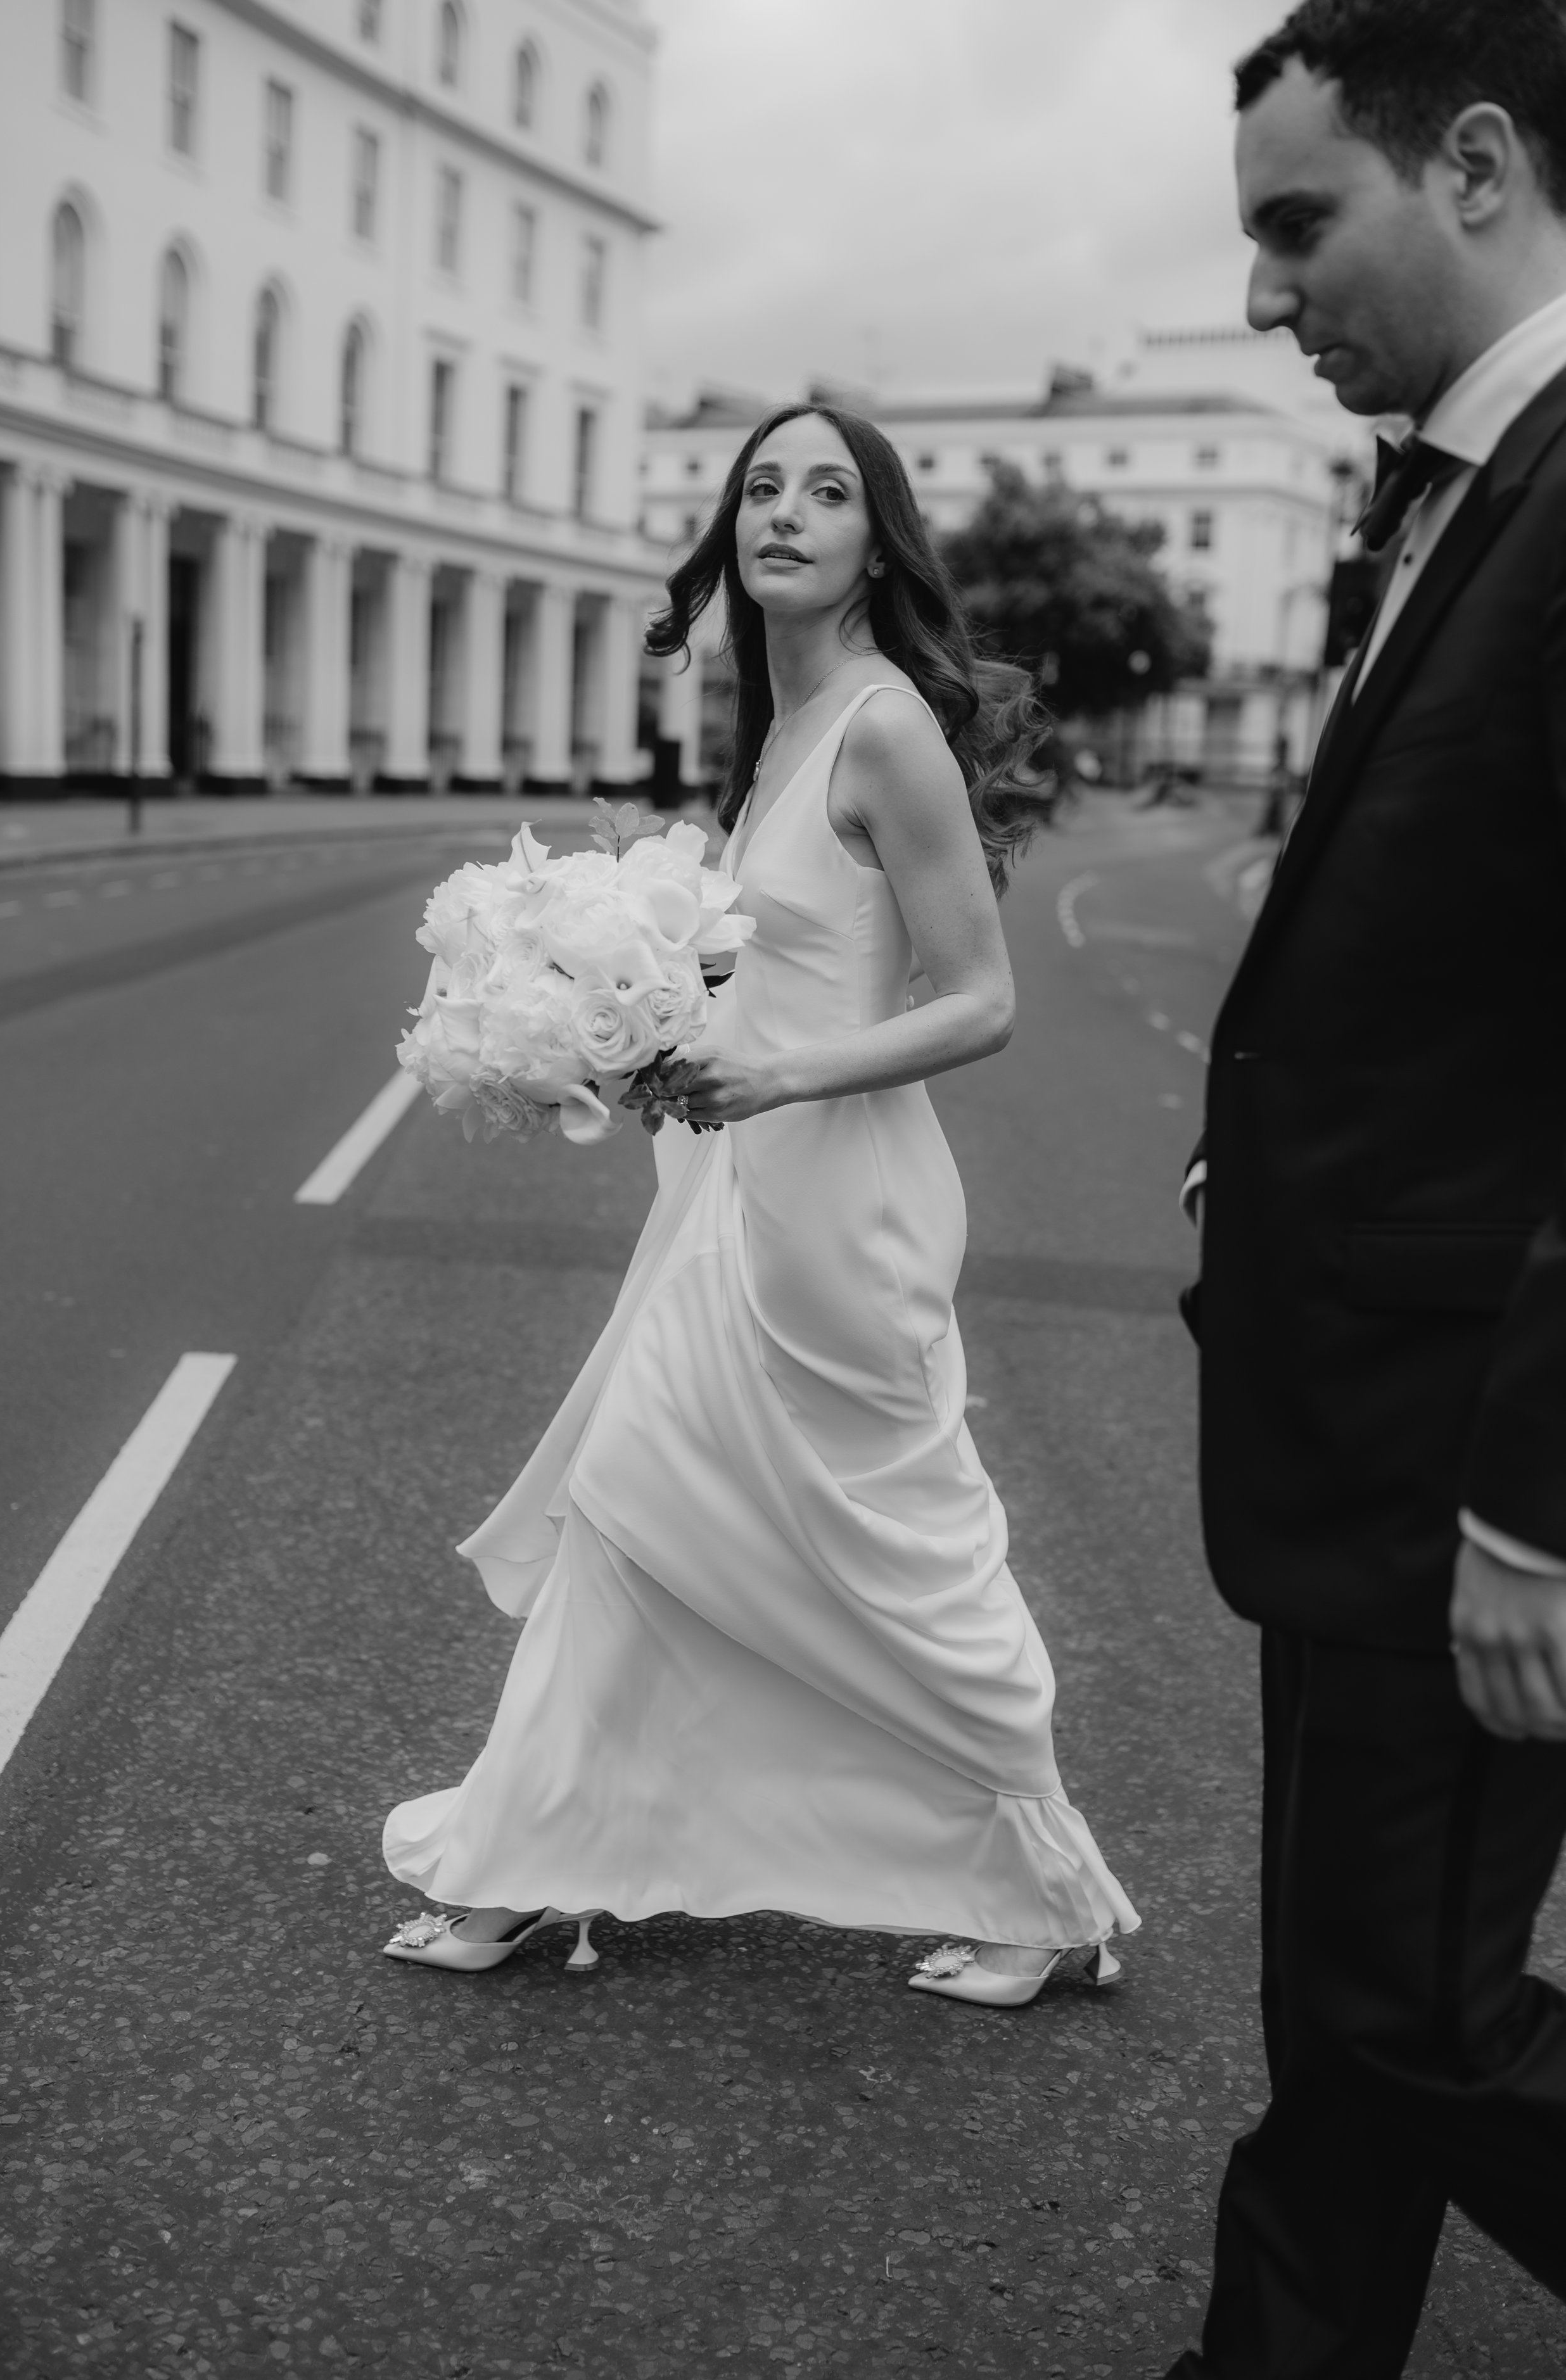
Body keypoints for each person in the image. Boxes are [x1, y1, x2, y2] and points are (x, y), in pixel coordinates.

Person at [381, 402, 1138, 2007]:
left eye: (829, 491)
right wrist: (640, 1042)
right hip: (733, 1200)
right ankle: (536, 1857)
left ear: (881, 539)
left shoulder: (877, 728)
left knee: (905, 1559)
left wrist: (782, 1079)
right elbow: (777, 979)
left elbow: (980, 997)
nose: (784, 512)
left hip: (841, 1215)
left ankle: (1046, 1891)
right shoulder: (782, 736)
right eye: (761, 488)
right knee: (632, 1517)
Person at [1165, 4, 1566, 2372]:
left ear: (1486, 165)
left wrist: (1535, 1497)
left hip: (1471, 1464)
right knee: (1348, 1989)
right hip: (1354, 1430)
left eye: (1299, 225)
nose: (1260, 292)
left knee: (1407, 2009)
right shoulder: (1444, 494)